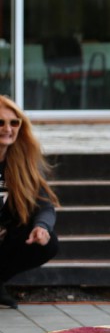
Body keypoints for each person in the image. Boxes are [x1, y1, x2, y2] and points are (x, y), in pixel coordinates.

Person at [0, 96, 59, 309]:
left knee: (47, 242)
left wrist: (41, 227)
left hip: (4, 235)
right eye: (0, 122)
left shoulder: (23, 162)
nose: (8, 129)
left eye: (14, 122)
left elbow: (45, 205)